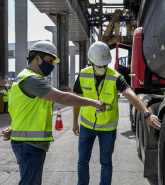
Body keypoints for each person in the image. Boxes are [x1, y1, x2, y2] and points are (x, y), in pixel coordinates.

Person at [1, 40, 113, 185]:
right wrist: (93, 102)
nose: (52, 66)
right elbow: (62, 97)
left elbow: (23, 111)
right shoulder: (31, 80)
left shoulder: (25, 78)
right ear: (37, 58)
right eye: (50, 61)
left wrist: (14, 130)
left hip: (29, 142)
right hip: (29, 144)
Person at [72, 41, 161, 185]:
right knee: (82, 160)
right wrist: (75, 122)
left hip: (107, 128)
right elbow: (77, 99)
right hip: (86, 126)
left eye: (104, 65)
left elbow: (130, 94)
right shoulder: (83, 75)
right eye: (98, 65)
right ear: (91, 61)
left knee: (105, 162)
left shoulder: (115, 77)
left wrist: (146, 113)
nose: (102, 68)